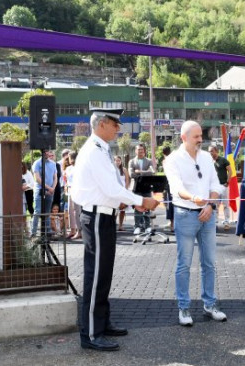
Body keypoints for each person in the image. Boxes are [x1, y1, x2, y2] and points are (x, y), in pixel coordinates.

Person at [72, 108, 159, 351]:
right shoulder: (94, 150)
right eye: (114, 123)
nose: (118, 128)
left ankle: (101, 322)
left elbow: (111, 189)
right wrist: (141, 201)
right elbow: (111, 189)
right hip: (97, 217)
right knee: (96, 275)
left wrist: (129, 201)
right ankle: (90, 333)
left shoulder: (101, 148)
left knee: (104, 275)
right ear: (101, 124)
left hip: (105, 216)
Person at [164, 120, 227, 326]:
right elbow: (176, 188)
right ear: (184, 137)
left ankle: (209, 305)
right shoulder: (172, 159)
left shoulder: (207, 157)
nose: (201, 140)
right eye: (196, 137)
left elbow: (215, 185)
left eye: (201, 136)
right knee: (184, 264)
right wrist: (193, 198)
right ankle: (184, 308)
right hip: (185, 215)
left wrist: (210, 205)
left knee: (209, 263)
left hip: (208, 215)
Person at [128, 144, 155, 235]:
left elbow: (152, 173)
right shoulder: (132, 161)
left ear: (144, 151)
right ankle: (137, 226)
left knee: (147, 207)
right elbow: (131, 174)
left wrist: (139, 172)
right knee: (138, 208)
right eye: (138, 150)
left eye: (142, 150)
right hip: (136, 188)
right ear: (135, 151)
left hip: (147, 188)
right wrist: (146, 172)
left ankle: (147, 226)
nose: (140, 151)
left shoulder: (149, 161)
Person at [31, 151, 57, 237]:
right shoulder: (37, 163)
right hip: (39, 190)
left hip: (50, 191)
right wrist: (49, 188)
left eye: (48, 151)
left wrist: (52, 188)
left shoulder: (53, 163)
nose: (48, 153)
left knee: (47, 212)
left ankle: (47, 231)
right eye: (46, 151)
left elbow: (55, 177)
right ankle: (33, 232)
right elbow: (37, 179)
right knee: (37, 211)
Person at [209, 145, 233, 230]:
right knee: (215, 205)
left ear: (216, 151)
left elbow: (230, 170)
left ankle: (226, 222)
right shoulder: (210, 162)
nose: (210, 153)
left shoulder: (223, 160)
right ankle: (215, 223)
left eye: (212, 151)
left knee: (225, 204)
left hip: (223, 186)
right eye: (209, 151)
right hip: (214, 188)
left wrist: (227, 181)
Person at [65, 151, 82, 240]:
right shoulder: (68, 169)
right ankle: (72, 230)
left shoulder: (80, 167)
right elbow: (67, 180)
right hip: (70, 190)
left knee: (77, 211)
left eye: (70, 157)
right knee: (70, 211)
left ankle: (79, 231)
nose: (69, 159)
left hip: (78, 190)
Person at [114, 155, 130, 231]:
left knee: (123, 209)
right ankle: (113, 225)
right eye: (116, 160)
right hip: (115, 192)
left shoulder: (124, 170)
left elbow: (127, 180)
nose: (117, 162)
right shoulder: (111, 170)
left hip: (123, 191)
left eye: (119, 160)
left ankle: (120, 225)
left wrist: (126, 190)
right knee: (114, 209)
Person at [160, 145, 174, 231]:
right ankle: (172, 223)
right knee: (170, 203)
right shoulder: (172, 159)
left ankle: (172, 224)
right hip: (171, 183)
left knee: (170, 204)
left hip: (170, 183)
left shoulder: (165, 161)